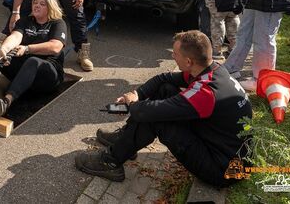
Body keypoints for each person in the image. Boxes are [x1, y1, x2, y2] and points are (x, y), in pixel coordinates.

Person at [75, 30, 253, 187]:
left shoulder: (206, 93)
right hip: (225, 152)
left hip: (223, 170)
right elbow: (163, 79)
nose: (173, 57)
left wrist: (131, 103)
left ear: (189, 61)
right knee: (165, 90)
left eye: (175, 54)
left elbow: (147, 111)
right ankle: (125, 140)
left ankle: (111, 162)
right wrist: (137, 93)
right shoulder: (212, 70)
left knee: (155, 118)